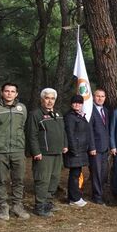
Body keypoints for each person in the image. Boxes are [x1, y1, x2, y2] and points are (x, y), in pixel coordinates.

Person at [0, 82, 30, 220]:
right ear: (2, 92)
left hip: (17, 149)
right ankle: (3, 206)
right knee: (0, 179)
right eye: (7, 91)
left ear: (16, 94)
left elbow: (22, 126)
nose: (9, 93)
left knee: (18, 179)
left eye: (12, 91)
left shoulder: (21, 108)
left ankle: (17, 205)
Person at [26, 88, 68, 217]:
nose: (50, 101)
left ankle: (48, 202)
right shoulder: (36, 114)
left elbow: (63, 131)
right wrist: (36, 152)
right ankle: (40, 205)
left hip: (57, 153)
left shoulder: (58, 114)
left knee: (54, 179)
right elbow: (31, 135)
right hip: (43, 154)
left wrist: (65, 144)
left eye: (52, 98)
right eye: (47, 98)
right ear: (42, 99)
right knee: (42, 180)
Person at [63, 94, 96, 207]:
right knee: (74, 174)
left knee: (76, 174)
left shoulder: (81, 116)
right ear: (71, 104)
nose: (77, 104)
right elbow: (70, 134)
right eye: (75, 102)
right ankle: (74, 198)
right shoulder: (70, 117)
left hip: (81, 150)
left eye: (79, 103)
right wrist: (74, 150)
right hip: (75, 151)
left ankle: (74, 196)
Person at [88, 88, 110, 205]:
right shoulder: (90, 110)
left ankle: (100, 193)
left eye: (102, 96)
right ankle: (97, 197)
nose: (100, 98)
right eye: (98, 96)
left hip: (105, 148)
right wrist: (91, 147)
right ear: (93, 97)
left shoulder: (106, 111)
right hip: (95, 148)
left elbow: (107, 130)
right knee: (96, 172)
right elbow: (90, 130)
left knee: (103, 173)